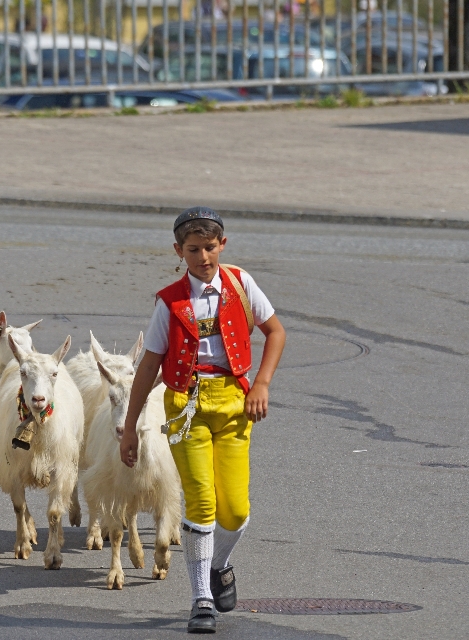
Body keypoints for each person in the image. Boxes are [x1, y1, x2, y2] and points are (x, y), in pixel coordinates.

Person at [119, 207, 286, 634]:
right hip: (185, 405)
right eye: (193, 249)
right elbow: (149, 364)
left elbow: (276, 332)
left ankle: (219, 565)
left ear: (222, 246)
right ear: (179, 251)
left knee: (235, 511)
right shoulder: (170, 300)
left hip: (233, 403)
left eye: (210, 248)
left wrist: (262, 383)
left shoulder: (240, 283)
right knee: (202, 504)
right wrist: (131, 425)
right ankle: (201, 600)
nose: (203, 257)